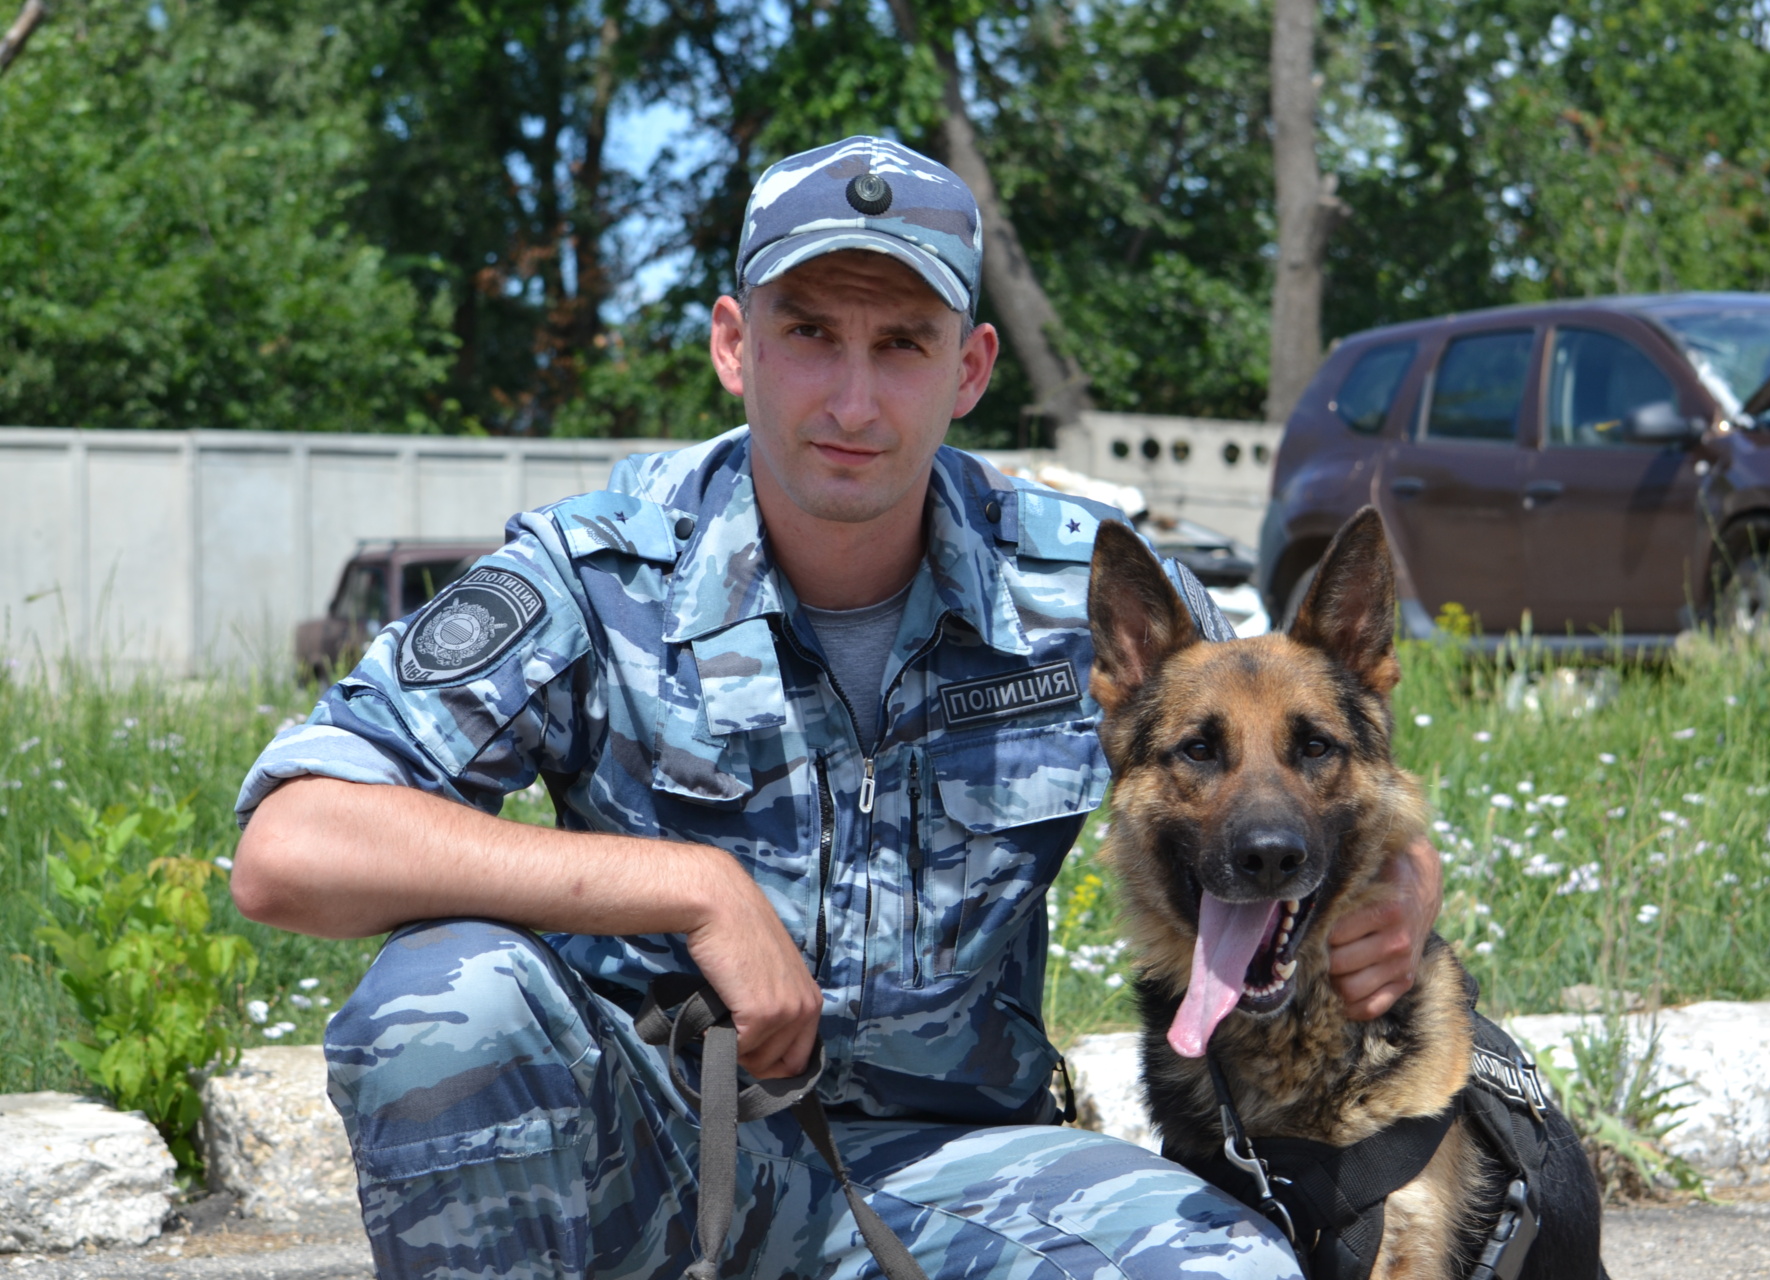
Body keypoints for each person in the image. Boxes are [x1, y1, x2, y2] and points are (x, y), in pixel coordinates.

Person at [231, 135, 1442, 1280]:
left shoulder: (1078, 589)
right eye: (810, 332)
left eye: (903, 344)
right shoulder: (595, 575)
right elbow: (291, 847)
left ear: (968, 368)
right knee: (444, 998)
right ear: (733, 345)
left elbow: (1309, 750)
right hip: (647, 1154)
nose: (853, 402)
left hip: (962, 1167)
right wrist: (689, 886)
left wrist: (1405, 885)